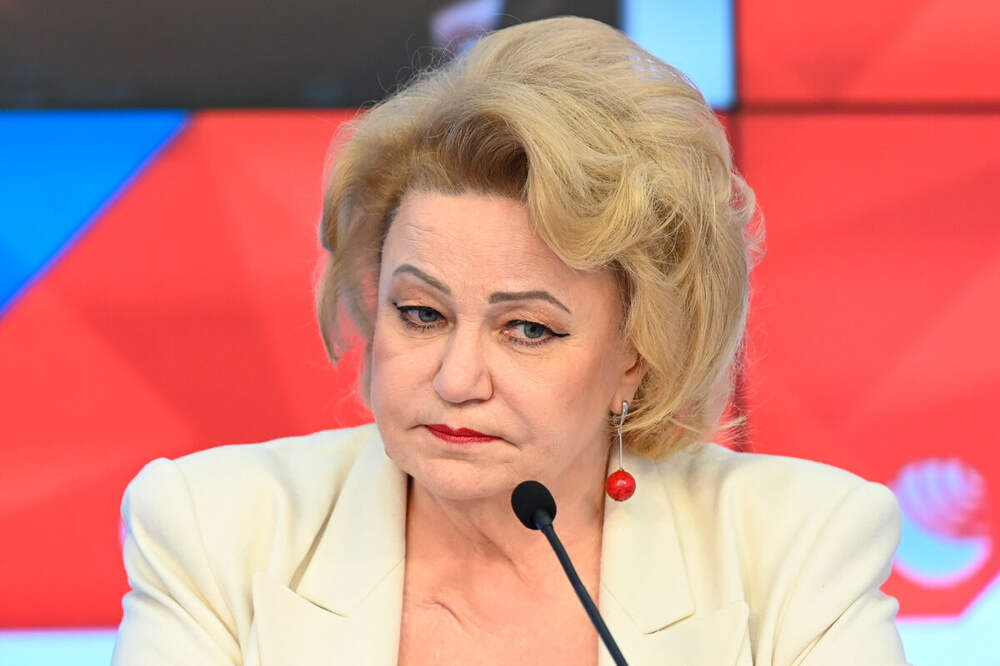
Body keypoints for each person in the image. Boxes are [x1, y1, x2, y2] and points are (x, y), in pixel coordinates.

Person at [111, 16, 910, 666]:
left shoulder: (794, 550)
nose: (458, 379)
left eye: (528, 329)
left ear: (636, 353)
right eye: (421, 314)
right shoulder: (218, 530)